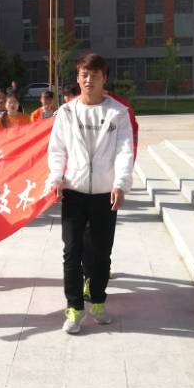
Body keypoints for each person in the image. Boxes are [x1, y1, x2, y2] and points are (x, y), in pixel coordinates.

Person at [48, 53, 134, 334]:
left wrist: (120, 183)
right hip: (74, 192)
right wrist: (56, 177)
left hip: (104, 194)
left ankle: (97, 301)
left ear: (104, 79)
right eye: (84, 75)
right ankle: (74, 307)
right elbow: (57, 149)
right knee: (71, 252)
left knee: (101, 253)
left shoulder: (117, 113)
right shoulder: (67, 112)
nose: (88, 80)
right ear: (78, 78)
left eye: (94, 76)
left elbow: (124, 151)